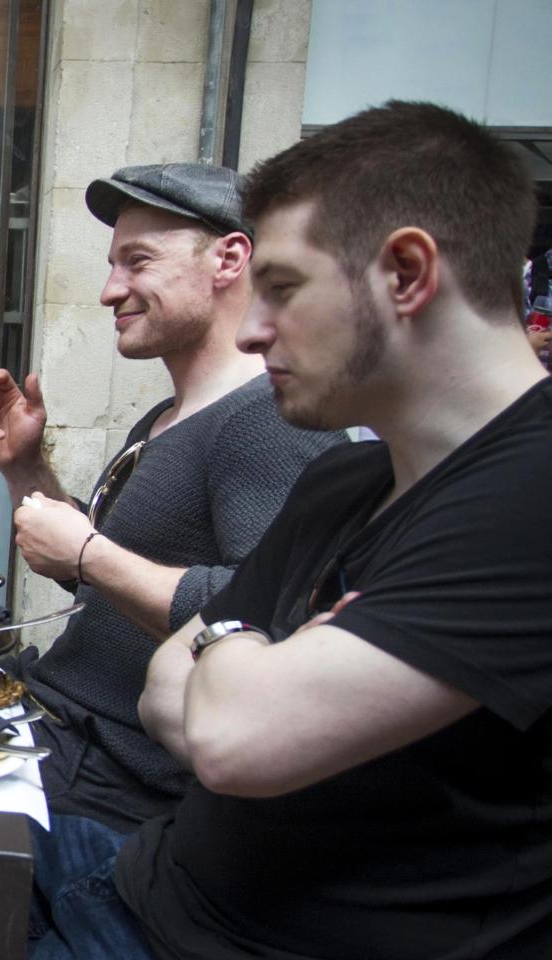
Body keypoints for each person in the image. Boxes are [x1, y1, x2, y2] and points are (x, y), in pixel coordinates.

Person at [0, 163, 343, 959]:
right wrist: (27, 472)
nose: (109, 289)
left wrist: (88, 554)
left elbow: (261, 614)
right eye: (112, 263)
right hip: (47, 739)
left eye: (139, 262)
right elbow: (115, 564)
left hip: (111, 795)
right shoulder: (170, 414)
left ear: (229, 260)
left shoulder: (265, 421)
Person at [117, 98, 552, 960]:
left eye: (280, 288)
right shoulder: (346, 474)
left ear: (406, 273)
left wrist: (226, 637)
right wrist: (252, 652)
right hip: (147, 885)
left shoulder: (530, 494)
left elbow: (232, 738)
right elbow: (163, 687)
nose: (251, 328)